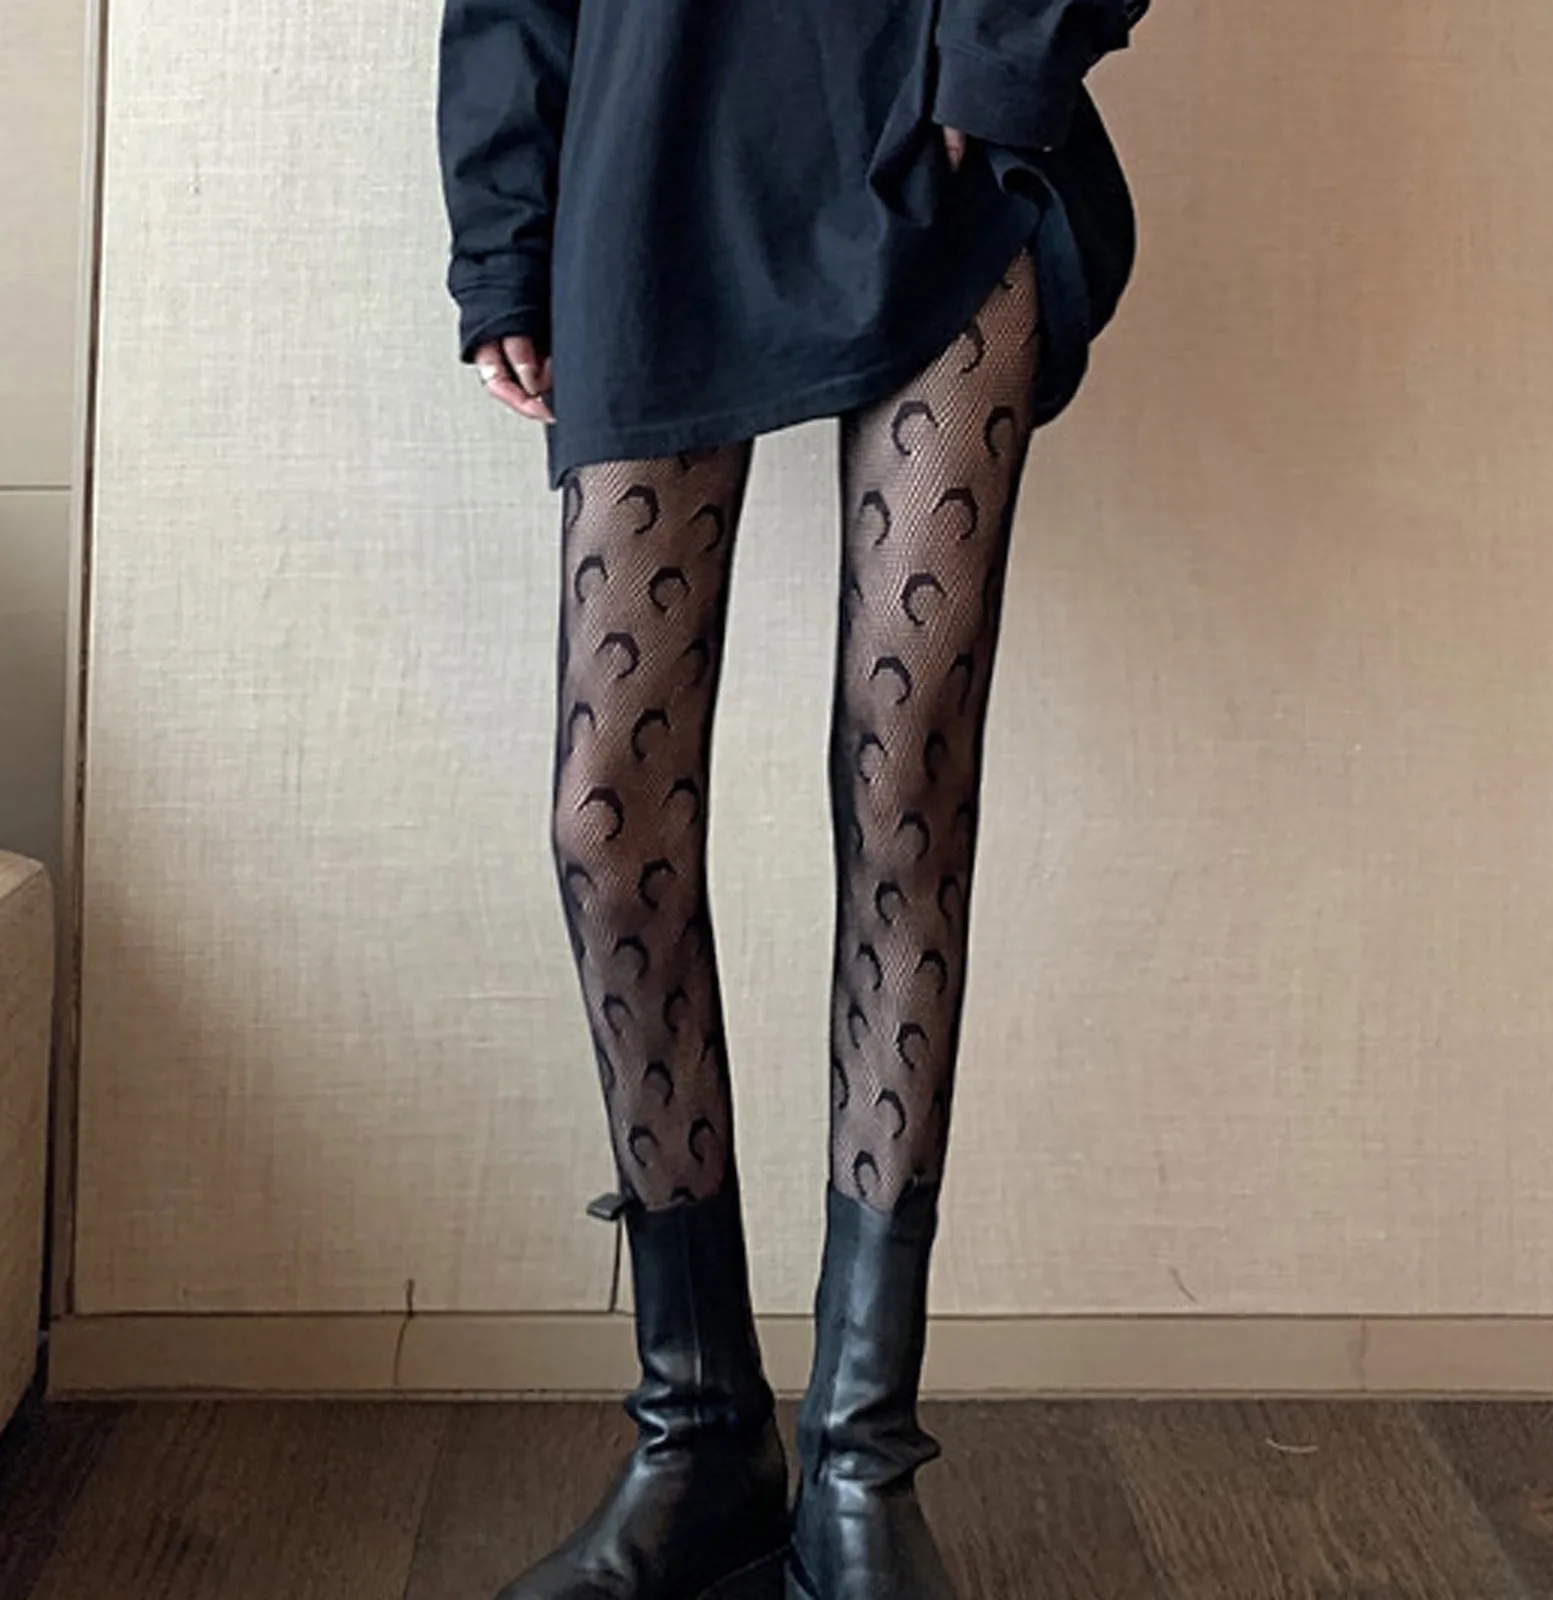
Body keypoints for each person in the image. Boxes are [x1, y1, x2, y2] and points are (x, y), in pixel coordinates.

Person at [435, 2, 1150, 1595]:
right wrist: (504, 223)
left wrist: (1000, 71)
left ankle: (859, 1461)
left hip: (936, 150)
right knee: (607, 821)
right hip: (646, 151)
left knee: (909, 786)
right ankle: (701, 1435)